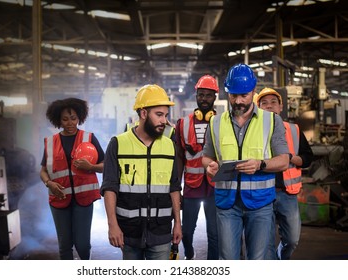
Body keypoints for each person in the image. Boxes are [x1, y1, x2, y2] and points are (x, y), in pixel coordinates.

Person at [202, 63, 289, 260]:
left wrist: (261, 164)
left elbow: (284, 160)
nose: (238, 101)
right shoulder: (215, 122)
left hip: (260, 204)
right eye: (233, 95)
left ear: (253, 92)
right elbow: (205, 156)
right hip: (227, 203)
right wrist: (210, 165)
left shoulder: (272, 121)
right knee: (228, 259)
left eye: (244, 95)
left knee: (257, 259)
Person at [100, 84, 182, 260]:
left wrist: (178, 224)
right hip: (129, 233)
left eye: (166, 115)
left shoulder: (169, 146)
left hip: (161, 232)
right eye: (159, 115)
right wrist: (112, 224)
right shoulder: (118, 144)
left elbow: (174, 187)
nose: (164, 121)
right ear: (143, 113)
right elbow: (109, 188)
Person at [39, 98, 104, 260]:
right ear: (58, 120)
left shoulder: (89, 138)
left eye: (73, 118)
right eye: (65, 119)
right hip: (59, 199)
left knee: (82, 244)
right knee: (64, 245)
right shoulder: (50, 143)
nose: (70, 123)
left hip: (84, 199)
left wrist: (92, 167)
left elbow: (106, 166)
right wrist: (49, 183)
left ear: (79, 118)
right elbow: (43, 170)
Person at [256, 87, 314, 260]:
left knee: (292, 239)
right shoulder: (253, 132)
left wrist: (292, 158)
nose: (269, 106)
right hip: (262, 193)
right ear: (258, 108)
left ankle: (281, 259)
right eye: (264, 103)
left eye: (273, 102)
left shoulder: (294, 130)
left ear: (281, 107)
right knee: (264, 242)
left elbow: (308, 158)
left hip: (287, 194)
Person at [175, 75, 219, 260]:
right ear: (196, 96)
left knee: (214, 232)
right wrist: (176, 187)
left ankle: (213, 265)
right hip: (192, 186)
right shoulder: (183, 124)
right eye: (201, 95)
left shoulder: (223, 122)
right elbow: (178, 157)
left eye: (208, 95)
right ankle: (190, 253)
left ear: (215, 97)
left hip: (215, 186)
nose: (204, 99)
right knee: (186, 230)